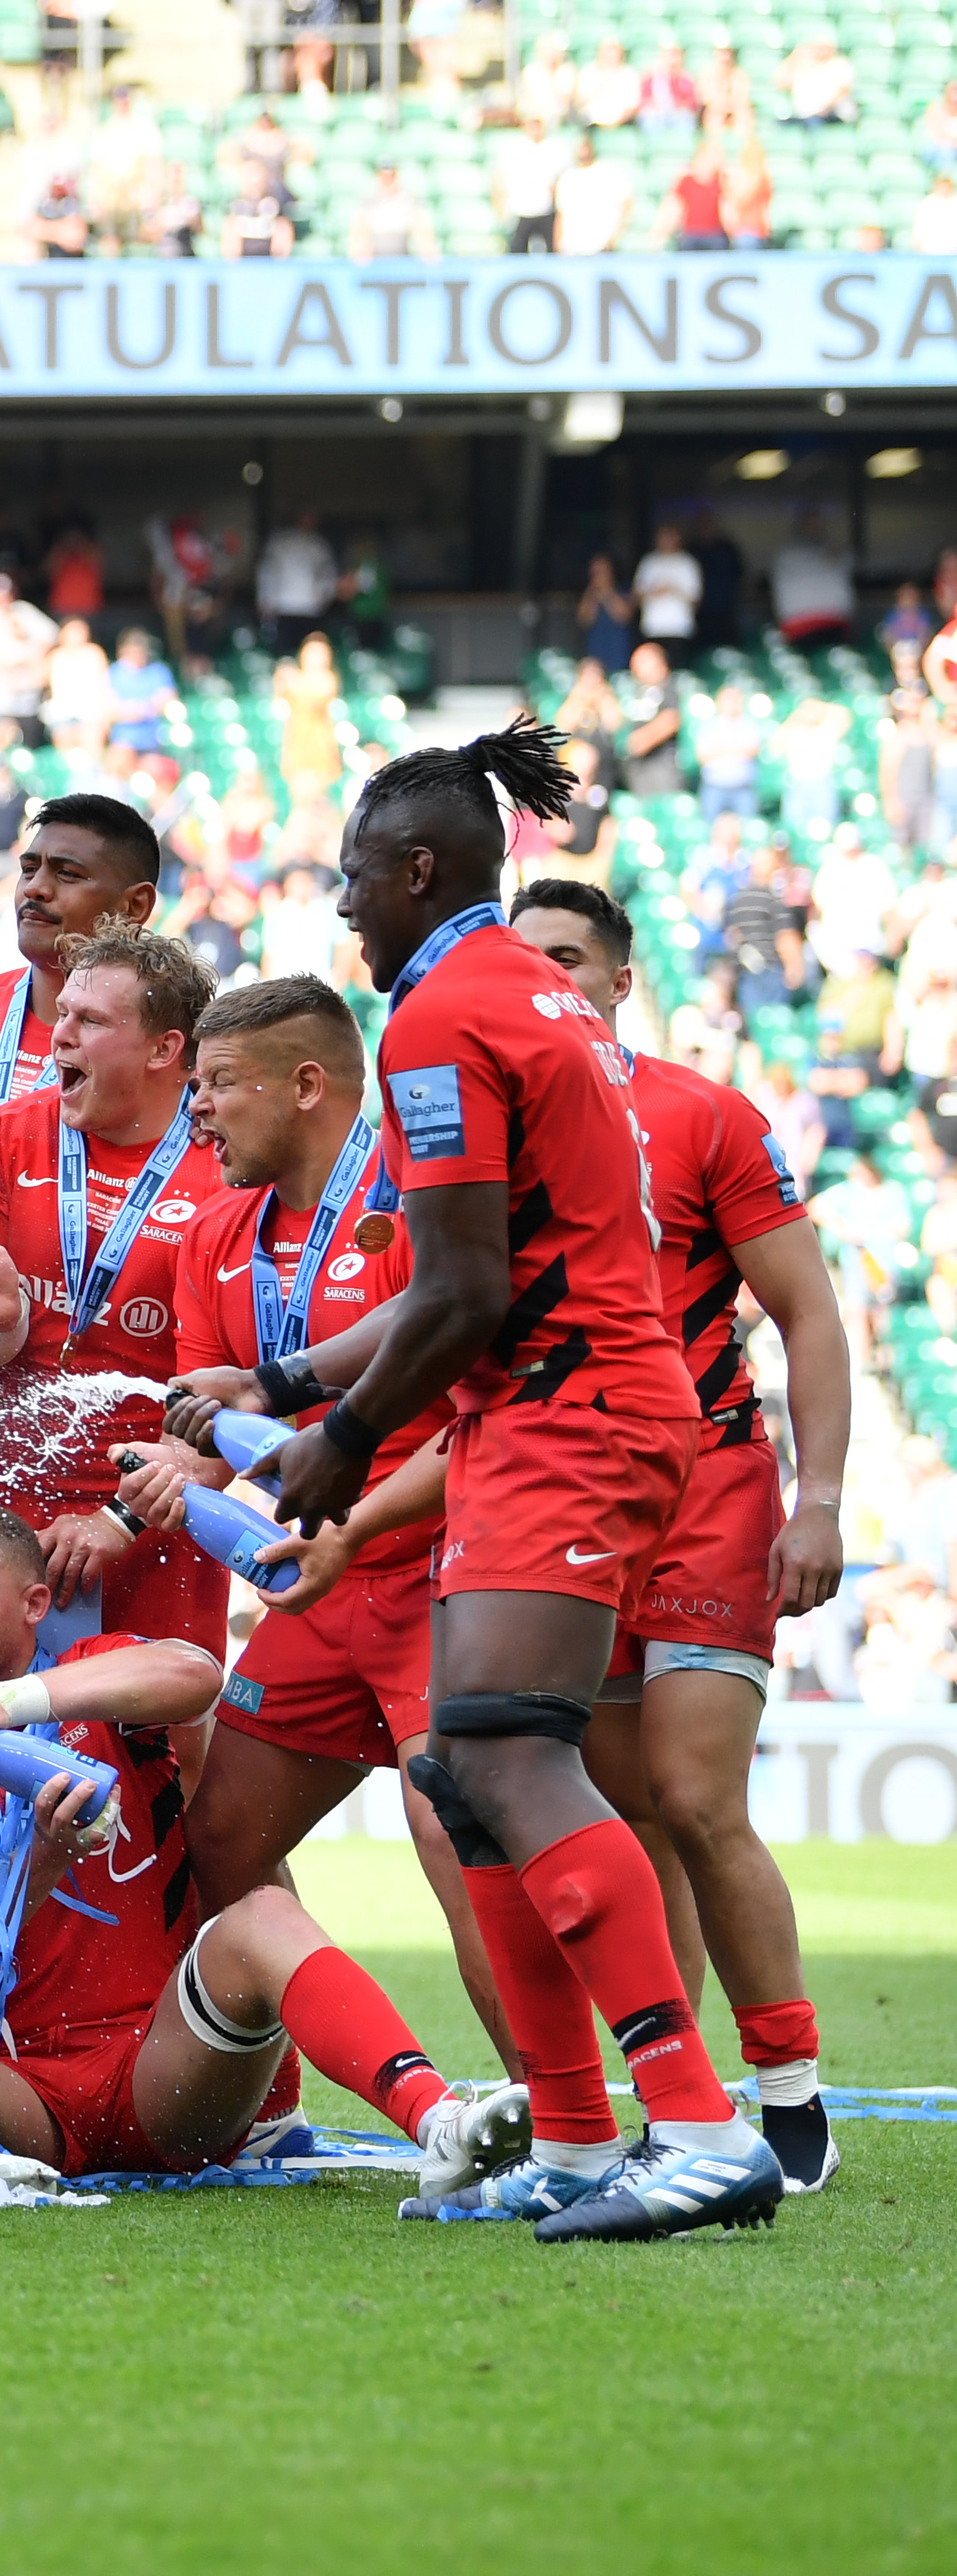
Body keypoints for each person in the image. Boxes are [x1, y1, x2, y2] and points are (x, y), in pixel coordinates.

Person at [234, 725, 776, 2242]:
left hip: (568, 1407)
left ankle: (700, 2122)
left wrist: (337, 1452)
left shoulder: (443, 1014)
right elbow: (472, 1279)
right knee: (463, 1774)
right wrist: (287, 1385)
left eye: (356, 878)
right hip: (560, 1404)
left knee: (506, 1749)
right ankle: (578, 2135)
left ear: (420, 868)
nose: (345, 908)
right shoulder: (532, 995)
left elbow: (466, 1291)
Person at [0, 1509, 528, 2202]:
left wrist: (13, 1703)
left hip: (167, 2070)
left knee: (265, 1914)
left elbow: (197, 1675)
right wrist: (41, 1860)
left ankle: (437, 2121)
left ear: (34, 1603)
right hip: (13, 2094)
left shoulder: (91, 1674)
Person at [508, 878, 849, 2191]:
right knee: (627, 1811)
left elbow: (807, 1315)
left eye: (568, 958)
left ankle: (788, 2078)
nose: (545, 977)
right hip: (566, 1499)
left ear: (616, 982)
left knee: (701, 1797)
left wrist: (815, 1500)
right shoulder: (477, 1125)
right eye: (523, 958)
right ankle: (685, 2102)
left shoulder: (700, 1113)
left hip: (706, 1485)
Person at [126, 977, 500, 2052]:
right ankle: (276, 2091)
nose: (197, 1109)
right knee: (223, 1841)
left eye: (218, 1085)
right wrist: (163, 1481)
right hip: (319, 1582)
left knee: (453, 1831)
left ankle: (564, 2125)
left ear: (303, 1085)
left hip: (445, 1570)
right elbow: (209, 1437)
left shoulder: (429, 1195)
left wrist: (359, 1519)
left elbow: (481, 1419)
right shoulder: (211, 1234)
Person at [0, 924, 226, 1651]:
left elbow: (237, 1396)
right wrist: (4, 1326)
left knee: (159, 1753)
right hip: (7, 1513)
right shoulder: (7, 1134)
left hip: (157, 1518)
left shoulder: (224, 1171)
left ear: (165, 1049)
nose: (59, 1036)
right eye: (61, 1013)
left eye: (89, 1021)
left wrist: (118, 1521)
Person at [0, 793, 166, 1111]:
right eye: (28, 869)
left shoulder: (172, 1046)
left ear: (135, 906)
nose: (34, 888)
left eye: (67, 873)